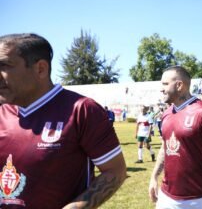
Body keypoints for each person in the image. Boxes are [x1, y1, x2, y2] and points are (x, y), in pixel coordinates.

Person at [0, 33, 127, 208]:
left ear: (40, 69)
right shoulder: (2, 112)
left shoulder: (82, 110)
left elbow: (115, 171)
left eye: (4, 65)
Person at [148, 66, 202, 209]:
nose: (161, 89)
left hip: (199, 198)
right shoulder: (166, 114)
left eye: (165, 84)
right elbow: (165, 146)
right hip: (166, 196)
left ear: (179, 85)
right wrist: (154, 176)